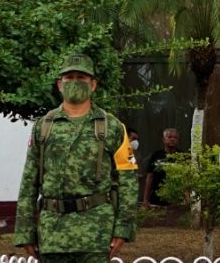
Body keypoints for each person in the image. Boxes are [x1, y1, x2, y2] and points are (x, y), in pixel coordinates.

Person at [14, 54, 139, 262]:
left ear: (93, 85)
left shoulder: (112, 127)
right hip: (53, 233)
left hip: (96, 233)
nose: (74, 82)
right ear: (59, 84)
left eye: (81, 77)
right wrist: (25, 231)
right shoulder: (44, 126)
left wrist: (123, 229)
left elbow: (128, 181)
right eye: (69, 77)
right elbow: (29, 180)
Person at [143, 128, 182, 206]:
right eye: (169, 137)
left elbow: (185, 179)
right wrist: (145, 199)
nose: (172, 139)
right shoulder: (156, 155)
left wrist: (187, 200)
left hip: (176, 200)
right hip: (157, 198)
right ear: (163, 139)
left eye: (175, 137)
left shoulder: (182, 156)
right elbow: (150, 176)